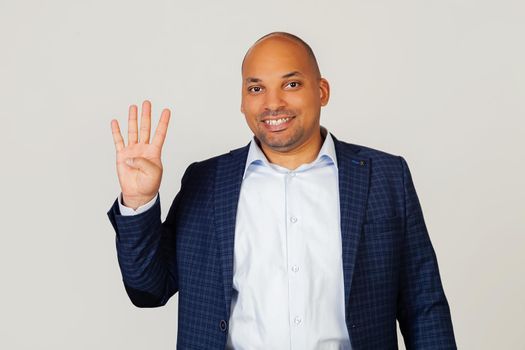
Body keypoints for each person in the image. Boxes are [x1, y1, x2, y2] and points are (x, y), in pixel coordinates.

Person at [107, 32, 456, 349]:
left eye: (291, 85)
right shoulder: (207, 181)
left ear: (322, 91)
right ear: (242, 101)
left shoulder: (385, 177)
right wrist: (138, 202)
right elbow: (148, 289)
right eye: (256, 88)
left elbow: (423, 303)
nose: (272, 103)